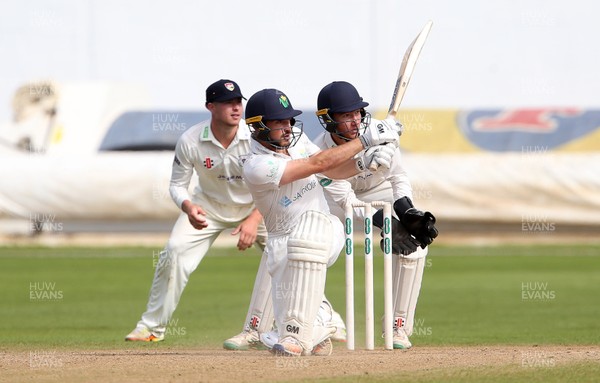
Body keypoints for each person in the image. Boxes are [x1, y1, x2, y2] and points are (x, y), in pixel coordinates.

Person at [241, 88, 399, 356]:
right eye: (278, 122)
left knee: (308, 234)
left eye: (289, 120)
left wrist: (363, 164)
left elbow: (330, 170)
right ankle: (321, 326)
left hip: (324, 229)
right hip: (282, 244)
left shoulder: (298, 143)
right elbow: (318, 163)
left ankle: (300, 335)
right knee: (290, 324)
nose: (288, 127)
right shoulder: (255, 165)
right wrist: (365, 140)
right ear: (258, 127)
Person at [125, 79, 268, 342]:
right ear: (210, 106)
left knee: (292, 255)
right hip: (208, 208)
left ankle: (324, 321)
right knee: (174, 253)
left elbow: (275, 183)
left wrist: (253, 218)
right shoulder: (191, 140)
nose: (236, 108)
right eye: (228, 103)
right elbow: (177, 186)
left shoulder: (256, 137)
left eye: (238, 102)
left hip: (257, 208)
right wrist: (189, 207)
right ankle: (151, 328)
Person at [313, 81, 438, 349]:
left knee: (414, 250)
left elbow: (398, 176)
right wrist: (386, 223)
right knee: (311, 249)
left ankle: (397, 328)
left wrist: (406, 210)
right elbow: (347, 201)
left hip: (378, 190)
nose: (355, 120)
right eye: (346, 116)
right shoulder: (320, 155)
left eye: (357, 112)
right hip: (335, 203)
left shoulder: (382, 131)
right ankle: (322, 319)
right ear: (328, 120)